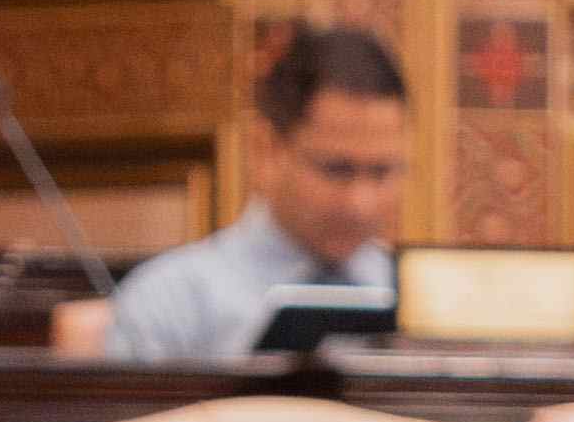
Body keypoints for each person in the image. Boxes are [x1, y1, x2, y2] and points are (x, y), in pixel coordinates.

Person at [102, 28, 406, 362]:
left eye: (382, 172)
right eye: (336, 169)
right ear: (267, 149)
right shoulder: (170, 305)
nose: (360, 203)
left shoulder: (420, 299)